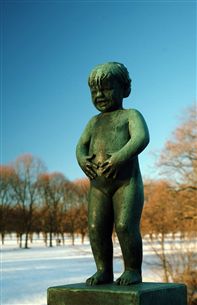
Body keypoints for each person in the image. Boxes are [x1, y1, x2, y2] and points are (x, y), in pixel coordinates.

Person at [76, 62, 149, 286]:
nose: (100, 95)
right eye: (94, 90)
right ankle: (103, 270)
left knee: (125, 226)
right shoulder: (93, 122)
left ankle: (132, 270)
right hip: (98, 186)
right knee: (96, 228)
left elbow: (141, 138)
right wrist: (81, 159)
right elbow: (80, 145)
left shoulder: (130, 115)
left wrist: (119, 156)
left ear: (124, 89)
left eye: (107, 88)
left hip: (125, 183)